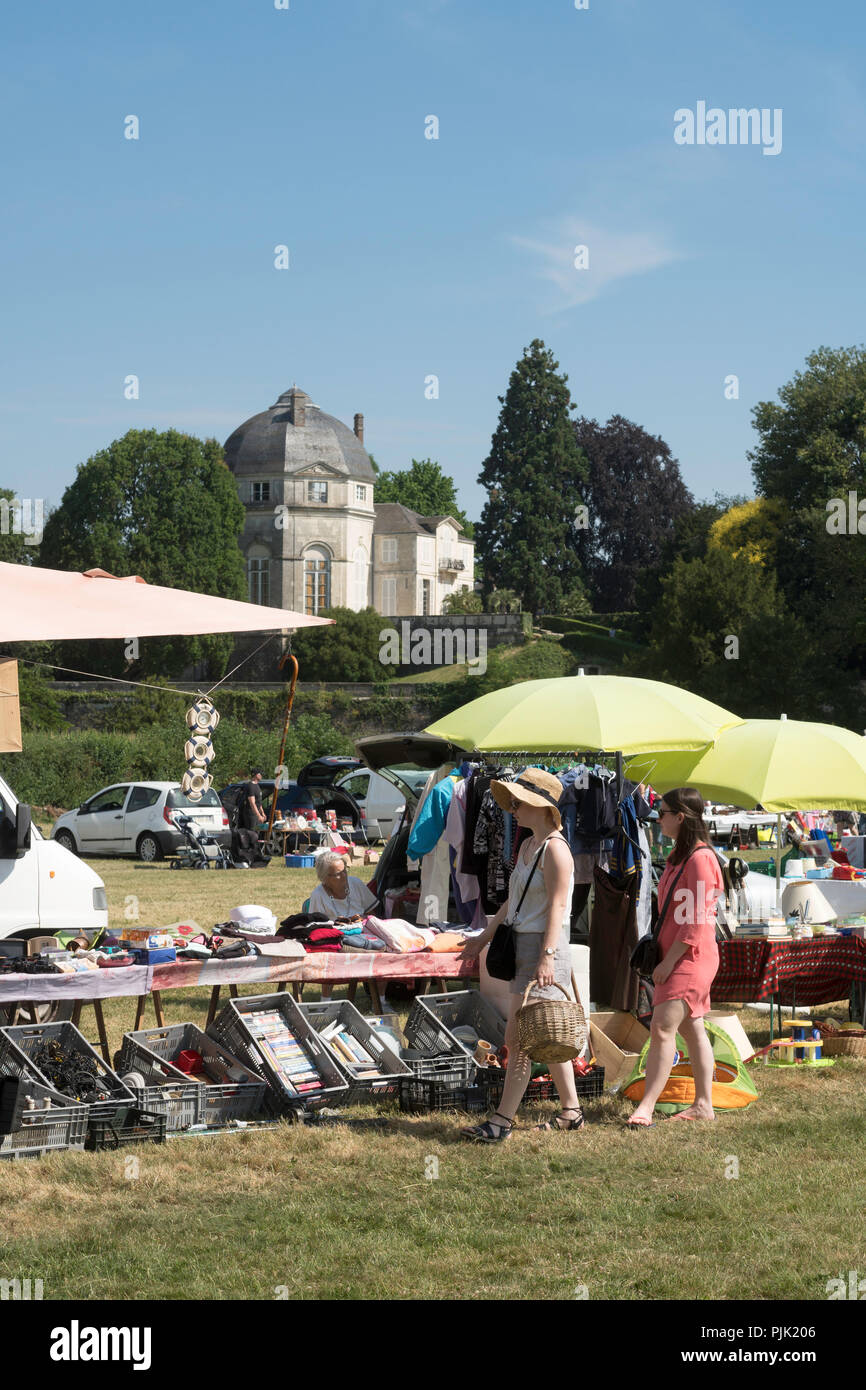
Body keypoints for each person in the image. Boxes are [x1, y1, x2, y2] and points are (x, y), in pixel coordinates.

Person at [460, 767, 584, 1142]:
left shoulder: (556, 850)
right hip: (523, 946)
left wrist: (546, 955)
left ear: (540, 806)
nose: (512, 808)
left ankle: (501, 1122)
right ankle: (572, 1111)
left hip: (542, 950)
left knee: (520, 1039)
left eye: (518, 802)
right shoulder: (530, 845)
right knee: (541, 1033)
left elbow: (558, 909)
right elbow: (514, 900)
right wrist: (483, 938)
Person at [628, 787, 724, 1127]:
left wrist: (669, 962)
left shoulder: (700, 859)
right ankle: (703, 1105)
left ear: (680, 817)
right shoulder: (677, 858)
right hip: (678, 954)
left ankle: (647, 1106)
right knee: (691, 1027)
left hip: (689, 957)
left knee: (662, 1027)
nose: (658, 819)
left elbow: (698, 920)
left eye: (663, 813)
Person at [309, 851, 377, 921]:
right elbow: (316, 926)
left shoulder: (356, 883)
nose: (344, 875)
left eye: (344, 870)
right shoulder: (318, 895)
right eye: (338, 874)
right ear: (324, 877)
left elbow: (371, 914)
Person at [242, 769, 267, 836]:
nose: (261, 775)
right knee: (252, 834)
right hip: (251, 814)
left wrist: (262, 813)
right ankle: (250, 846)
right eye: (260, 774)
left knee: (257, 833)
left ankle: (256, 846)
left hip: (257, 813)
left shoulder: (257, 785)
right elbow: (252, 803)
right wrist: (259, 816)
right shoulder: (250, 786)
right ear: (256, 775)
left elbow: (258, 801)